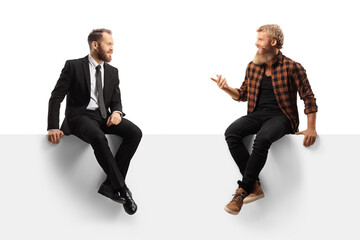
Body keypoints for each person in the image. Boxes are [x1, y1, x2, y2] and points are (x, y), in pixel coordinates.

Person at [210, 24, 318, 215]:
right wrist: (225, 88)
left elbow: (308, 97)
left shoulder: (293, 67)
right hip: (257, 115)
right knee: (231, 132)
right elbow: (243, 94)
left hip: (283, 117)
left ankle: (242, 191)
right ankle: (255, 186)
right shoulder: (253, 67)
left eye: (260, 39)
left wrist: (311, 128)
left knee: (262, 138)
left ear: (273, 42)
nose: (256, 43)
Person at [47, 28, 142, 215]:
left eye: (113, 45)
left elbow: (116, 99)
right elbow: (56, 97)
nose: (112, 48)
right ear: (95, 44)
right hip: (80, 117)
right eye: (109, 44)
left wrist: (117, 112)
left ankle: (110, 184)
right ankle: (122, 189)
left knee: (135, 133)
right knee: (98, 137)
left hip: (104, 117)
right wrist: (52, 127)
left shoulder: (113, 72)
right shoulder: (73, 66)